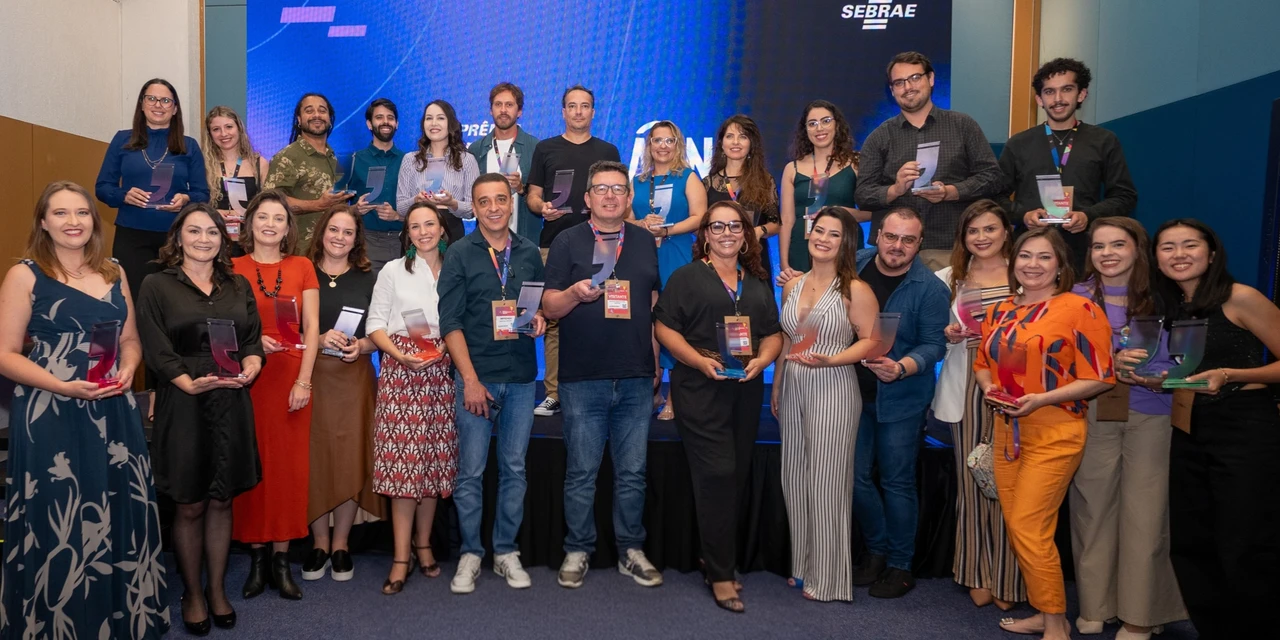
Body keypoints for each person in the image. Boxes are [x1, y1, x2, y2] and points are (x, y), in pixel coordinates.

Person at [0, 182, 170, 639]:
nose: (73, 221)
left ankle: (120, 620)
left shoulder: (114, 271)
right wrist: (61, 385)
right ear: (43, 222)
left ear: (94, 221)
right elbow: (5, 354)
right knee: (59, 516)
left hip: (113, 409)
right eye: (60, 213)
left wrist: (129, 368)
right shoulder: (25, 275)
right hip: (50, 411)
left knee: (115, 506)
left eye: (81, 212)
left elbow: (130, 339)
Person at [974, 227, 1115, 640]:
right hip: (1007, 430)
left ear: (1060, 266)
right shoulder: (999, 310)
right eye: (1025, 256)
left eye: (1043, 257)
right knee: (1020, 527)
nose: (1032, 264)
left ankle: (1055, 624)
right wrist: (989, 388)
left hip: (1056, 431)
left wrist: (1042, 399)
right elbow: (982, 363)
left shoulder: (1080, 309)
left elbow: (1101, 377)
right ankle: (1045, 609)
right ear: (1013, 262)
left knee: (1029, 526)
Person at [136, 201, 264, 634]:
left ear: (222, 239)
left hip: (231, 399)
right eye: (194, 231)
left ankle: (217, 590)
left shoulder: (237, 284)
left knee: (222, 498)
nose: (203, 239)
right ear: (178, 237)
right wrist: (185, 381)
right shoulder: (157, 284)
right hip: (184, 399)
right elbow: (154, 345)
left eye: (212, 232)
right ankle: (192, 593)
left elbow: (251, 339)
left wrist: (253, 363)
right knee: (190, 503)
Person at [1151, 219, 1280, 640]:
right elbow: (1182, 373)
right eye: (1168, 247)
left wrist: (1231, 374)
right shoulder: (1173, 308)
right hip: (1189, 426)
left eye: (1190, 245)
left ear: (1211, 253)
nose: (1179, 254)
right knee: (1192, 540)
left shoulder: (1240, 297)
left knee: (1245, 542)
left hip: (1245, 426)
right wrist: (1147, 376)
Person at [654, 201, 784, 613]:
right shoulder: (687, 277)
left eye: (734, 226)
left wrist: (764, 360)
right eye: (717, 226)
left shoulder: (757, 281)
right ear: (705, 235)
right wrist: (697, 361)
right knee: (718, 473)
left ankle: (712, 557)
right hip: (700, 388)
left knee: (736, 474)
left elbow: (773, 333)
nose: (727, 233)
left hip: (745, 389)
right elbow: (663, 327)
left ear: (745, 234)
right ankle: (721, 572)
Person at [542, 161, 663, 589]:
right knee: (581, 473)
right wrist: (574, 294)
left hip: (635, 376)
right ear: (587, 198)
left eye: (618, 189)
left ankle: (631, 550)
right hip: (583, 377)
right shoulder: (567, 240)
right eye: (601, 189)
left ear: (629, 198)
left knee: (632, 473)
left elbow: (652, 305)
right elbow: (549, 307)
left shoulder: (645, 240)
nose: (610, 196)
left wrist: (655, 362)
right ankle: (578, 549)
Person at [1069, 218, 1185, 639]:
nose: (1108, 254)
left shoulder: (1166, 294)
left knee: (1145, 514)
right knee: (1092, 509)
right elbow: (1061, 356)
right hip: (1094, 409)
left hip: (1153, 412)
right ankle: (1096, 605)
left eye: (1118, 244)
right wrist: (1107, 363)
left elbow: (1189, 355)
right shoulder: (1076, 296)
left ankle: (1140, 614)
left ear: (1139, 248)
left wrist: (1163, 375)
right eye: (1099, 246)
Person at [438, 173, 547, 594]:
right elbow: (450, 322)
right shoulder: (459, 253)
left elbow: (532, 307)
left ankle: (505, 551)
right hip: (477, 379)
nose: (494, 208)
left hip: (520, 378)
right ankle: (470, 552)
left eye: (501, 199)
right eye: (484, 201)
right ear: (474, 207)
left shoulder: (528, 252)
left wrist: (538, 320)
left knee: (515, 470)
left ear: (511, 202)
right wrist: (468, 379)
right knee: (471, 472)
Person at [772, 207, 880, 602]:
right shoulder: (792, 285)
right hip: (794, 385)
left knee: (827, 483)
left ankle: (831, 578)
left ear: (846, 242)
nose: (823, 238)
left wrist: (832, 360)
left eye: (834, 234)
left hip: (833, 386)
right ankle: (804, 566)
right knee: (795, 477)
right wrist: (777, 385)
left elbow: (873, 341)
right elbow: (788, 339)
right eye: (819, 230)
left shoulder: (856, 289)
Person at [846, 207, 949, 598]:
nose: (897, 246)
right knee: (855, 478)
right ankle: (877, 552)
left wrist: (903, 367)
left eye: (908, 240)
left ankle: (900, 566)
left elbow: (934, 345)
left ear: (919, 244)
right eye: (891, 236)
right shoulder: (853, 266)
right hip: (853, 394)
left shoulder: (930, 288)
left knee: (896, 481)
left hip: (902, 399)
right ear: (878, 235)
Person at [931, 200, 1025, 609]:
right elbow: (930, 331)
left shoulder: (1027, 273)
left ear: (1006, 231)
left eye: (990, 229)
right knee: (972, 478)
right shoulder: (948, 278)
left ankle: (1008, 577)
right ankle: (975, 572)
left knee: (1010, 482)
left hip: (1017, 382)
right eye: (973, 231)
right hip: (966, 382)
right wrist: (947, 333)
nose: (982, 237)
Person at [231, 190, 321, 600]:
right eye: (263, 217)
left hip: (290, 379)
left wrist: (305, 380)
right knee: (252, 465)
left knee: (288, 471)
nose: (270, 224)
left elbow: (312, 328)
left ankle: (282, 561)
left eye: (278, 218)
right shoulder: (231, 268)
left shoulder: (302, 266)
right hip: (248, 380)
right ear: (250, 223)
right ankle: (256, 560)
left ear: (288, 228)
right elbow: (220, 324)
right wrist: (249, 344)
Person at [366, 202, 458, 595]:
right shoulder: (392, 270)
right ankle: (401, 556)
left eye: (429, 224)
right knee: (404, 467)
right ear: (407, 234)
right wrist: (400, 356)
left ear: (443, 229)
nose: (423, 232)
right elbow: (375, 324)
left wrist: (447, 350)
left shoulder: (456, 268)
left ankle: (424, 546)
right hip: (401, 373)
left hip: (442, 371)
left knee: (432, 465)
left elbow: (462, 320)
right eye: (415, 226)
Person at [855, 52, 1004, 270]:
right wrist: (895, 189)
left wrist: (951, 192)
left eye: (915, 78)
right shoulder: (879, 137)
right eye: (899, 82)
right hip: (895, 252)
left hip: (951, 247)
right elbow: (863, 195)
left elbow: (993, 177)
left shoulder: (963, 126)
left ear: (931, 79)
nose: (908, 87)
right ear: (892, 90)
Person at [525, 85, 622, 417]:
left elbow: (618, 195)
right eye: (572, 106)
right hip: (554, 243)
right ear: (563, 111)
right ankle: (554, 393)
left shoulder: (608, 150)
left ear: (593, 112)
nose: (578, 111)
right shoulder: (545, 148)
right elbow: (532, 196)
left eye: (585, 106)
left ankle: (602, 388)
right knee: (553, 319)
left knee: (602, 316)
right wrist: (542, 207)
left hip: (601, 244)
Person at [301, 205, 385, 585]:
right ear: (321, 232)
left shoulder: (370, 278)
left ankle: (340, 544)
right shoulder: (302, 272)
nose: (339, 237)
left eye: (348, 232)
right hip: (311, 377)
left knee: (351, 458)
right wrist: (317, 340)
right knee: (316, 460)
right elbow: (286, 328)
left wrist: (363, 345)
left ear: (356, 240)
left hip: (354, 379)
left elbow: (382, 330)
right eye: (333, 230)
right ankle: (319, 543)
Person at [1001, 58, 1137, 272]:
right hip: (1030, 253)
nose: (1058, 99)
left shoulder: (1104, 140)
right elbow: (995, 197)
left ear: (1081, 94)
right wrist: (1023, 215)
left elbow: (1124, 196)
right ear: (1039, 99)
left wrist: (1087, 216)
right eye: (1049, 92)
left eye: (1067, 89)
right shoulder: (1018, 144)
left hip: (1084, 253)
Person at [96, 78, 209, 304]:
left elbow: (202, 194)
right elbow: (102, 187)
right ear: (142, 104)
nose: (158, 105)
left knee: (176, 302)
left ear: (175, 109)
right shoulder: (122, 139)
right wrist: (124, 195)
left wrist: (186, 199)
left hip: (176, 238)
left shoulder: (189, 145)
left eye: (166, 100)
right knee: (135, 300)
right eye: (152, 99)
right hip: (131, 236)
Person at [628, 120, 708, 421]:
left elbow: (700, 217)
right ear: (648, 145)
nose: (663, 146)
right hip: (644, 257)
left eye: (669, 140)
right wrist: (641, 224)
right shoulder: (637, 180)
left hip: (677, 254)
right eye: (657, 140)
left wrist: (667, 230)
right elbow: (624, 219)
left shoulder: (688, 177)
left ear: (678, 145)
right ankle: (653, 390)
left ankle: (674, 397)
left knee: (675, 324)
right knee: (647, 325)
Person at [780, 100, 866, 272]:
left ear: (837, 125)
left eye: (826, 121)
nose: (819, 128)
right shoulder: (792, 169)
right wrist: (784, 264)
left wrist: (838, 211)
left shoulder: (856, 162)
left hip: (843, 247)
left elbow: (872, 213)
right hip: (801, 250)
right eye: (812, 124)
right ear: (805, 130)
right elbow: (787, 220)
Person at [262, 92, 351, 252]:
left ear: (330, 118)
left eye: (322, 110)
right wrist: (318, 205)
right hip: (300, 252)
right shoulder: (287, 157)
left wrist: (356, 209)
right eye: (309, 111)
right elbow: (271, 202)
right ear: (299, 119)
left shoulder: (334, 158)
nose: (317, 115)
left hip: (333, 252)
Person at [703, 115, 780, 275]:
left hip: (754, 259)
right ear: (721, 143)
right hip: (717, 260)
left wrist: (759, 231)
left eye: (743, 137)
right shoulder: (707, 183)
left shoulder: (765, 181)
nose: (736, 142)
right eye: (730, 136)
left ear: (751, 143)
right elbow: (700, 225)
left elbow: (775, 223)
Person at [395, 99, 479, 246]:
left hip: (452, 233)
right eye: (429, 118)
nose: (433, 123)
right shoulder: (410, 159)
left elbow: (473, 209)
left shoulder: (467, 160)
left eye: (440, 118)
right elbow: (401, 209)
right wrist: (416, 200)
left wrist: (452, 203)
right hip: (418, 233)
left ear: (450, 123)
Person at [468, 82, 542, 245]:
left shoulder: (535, 147)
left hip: (525, 241)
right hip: (485, 243)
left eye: (509, 105)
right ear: (490, 110)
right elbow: (471, 198)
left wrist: (521, 189)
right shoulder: (476, 149)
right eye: (498, 104)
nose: (503, 110)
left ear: (519, 111)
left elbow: (542, 198)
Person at [343, 98, 406, 272]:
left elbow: (420, 206)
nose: (385, 122)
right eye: (379, 117)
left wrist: (398, 216)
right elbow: (332, 209)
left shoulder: (410, 161)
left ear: (397, 124)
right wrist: (354, 210)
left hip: (404, 242)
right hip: (365, 243)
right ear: (369, 124)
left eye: (390, 117)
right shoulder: (349, 160)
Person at [202, 105, 270, 257]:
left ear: (239, 128)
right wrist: (214, 213)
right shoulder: (203, 165)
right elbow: (196, 203)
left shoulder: (259, 164)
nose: (223, 134)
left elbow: (269, 205)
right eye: (216, 129)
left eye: (229, 127)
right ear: (210, 134)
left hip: (250, 241)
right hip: (213, 240)